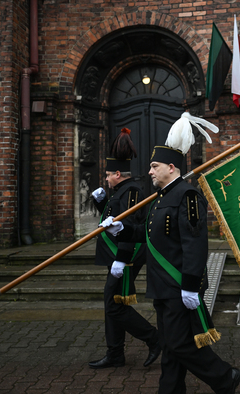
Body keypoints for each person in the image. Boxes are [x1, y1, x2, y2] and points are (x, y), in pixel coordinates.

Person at [101, 112, 240, 394]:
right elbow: (148, 235)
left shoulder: (187, 195)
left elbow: (195, 243)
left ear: (172, 167)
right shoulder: (161, 198)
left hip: (178, 285)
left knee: (179, 344)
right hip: (161, 286)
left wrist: (190, 285)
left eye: (154, 166)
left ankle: (225, 377)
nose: (149, 171)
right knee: (169, 345)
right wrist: (121, 230)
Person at [89, 127, 161, 369]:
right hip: (118, 256)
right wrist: (101, 204)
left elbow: (128, 226)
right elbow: (113, 222)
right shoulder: (121, 191)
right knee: (114, 304)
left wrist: (121, 259)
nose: (106, 179)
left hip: (126, 256)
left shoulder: (131, 191)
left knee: (113, 304)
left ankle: (154, 339)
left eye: (108, 175)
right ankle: (115, 353)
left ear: (118, 173)